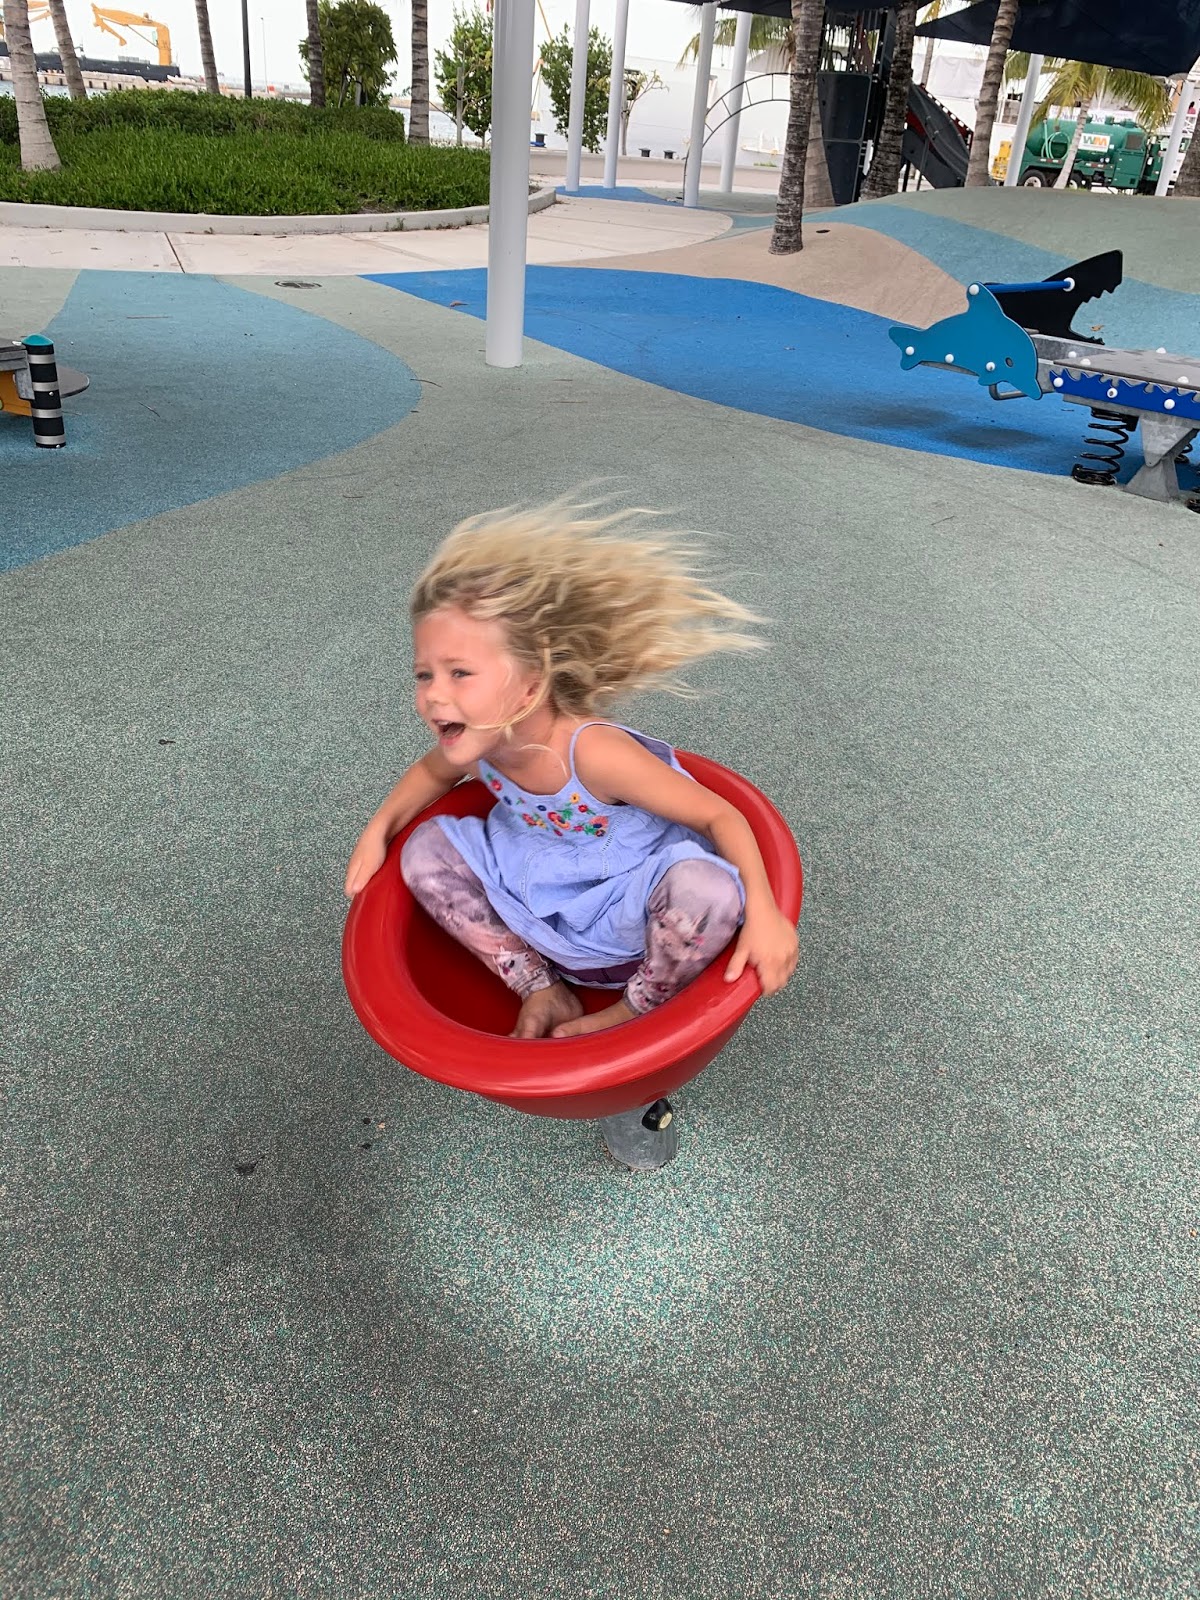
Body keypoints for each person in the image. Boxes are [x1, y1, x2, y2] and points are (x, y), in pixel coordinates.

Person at [344, 503, 799, 1040]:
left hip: (632, 910)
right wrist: (378, 830)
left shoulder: (593, 752)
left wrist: (764, 912)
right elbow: (430, 773)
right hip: (542, 902)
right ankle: (538, 985)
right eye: (424, 674)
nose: (433, 694)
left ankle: (637, 1006)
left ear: (531, 683)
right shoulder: (482, 742)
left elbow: (720, 816)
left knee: (710, 890)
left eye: (459, 673)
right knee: (422, 849)